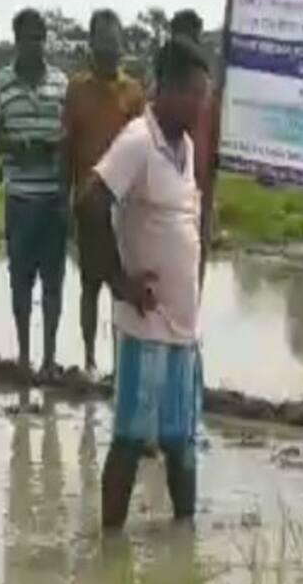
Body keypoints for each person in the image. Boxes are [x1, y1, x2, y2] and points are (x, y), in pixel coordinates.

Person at [77, 38, 212, 531]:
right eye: (195, 94)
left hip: (183, 329)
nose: (202, 105)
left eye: (205, 95)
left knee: (181, 440)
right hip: (144, 324)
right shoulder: (138, 140)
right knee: (131, 438)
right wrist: (118, 281)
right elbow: (90, 204)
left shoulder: (186, 147)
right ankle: (109, 546)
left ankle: (184, 538)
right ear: (168, 90)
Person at [0, 8, 70, 372]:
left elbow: (71, 134)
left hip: (54, 197)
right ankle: (23, 357)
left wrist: (55, 144)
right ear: (16, 40)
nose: (34, 45)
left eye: (40, 38)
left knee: (53, 283)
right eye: (27, 38)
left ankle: (49, 359)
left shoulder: (61, 84)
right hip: (20, 198)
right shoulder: (2, 84)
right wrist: (17, 146)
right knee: (21, 281)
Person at [65, 9, 146, 374]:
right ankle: (88, 360)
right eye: (101, 42)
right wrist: (68, 197)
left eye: (113, 43)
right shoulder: (77, 89)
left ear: (121, 45)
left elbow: (144, 149)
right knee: (89, 285)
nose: (108, 50)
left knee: (121, 288)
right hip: (86, 202)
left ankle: (119, 364)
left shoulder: (133, 93)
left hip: (124, 206)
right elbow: (68, 144)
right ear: (91, 45)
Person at [166, 8, 220, 262]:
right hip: (162, 206)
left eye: (194, 40)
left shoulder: (211, 95)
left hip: (198, 201)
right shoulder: (157, 94)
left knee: (192, 285)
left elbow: (217, 152)